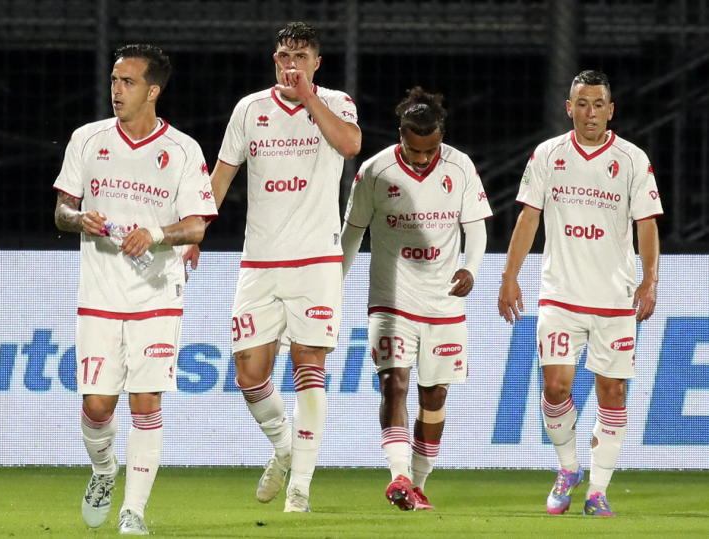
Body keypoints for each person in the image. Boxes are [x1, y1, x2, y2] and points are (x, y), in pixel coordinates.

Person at [53, 44, 217, 535]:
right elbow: (61, 212)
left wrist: (160, 234)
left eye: (127, 82)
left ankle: (134, 511)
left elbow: (197, 227)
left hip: (156, 294)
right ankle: (104, 471)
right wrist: (81, 218)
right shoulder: (87, 139)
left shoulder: (184, 150)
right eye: (113, 80)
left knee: (147, 401)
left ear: (153, 91)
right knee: (97, 406)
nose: (116, 90)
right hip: (99, 296)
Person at [208, 21, 361, 512]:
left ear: (317, 62)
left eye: (299, 56)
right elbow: (221, 176)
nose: (288, 65)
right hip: (260, 260)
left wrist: (309, 99)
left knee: (309, 367)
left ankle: (301, 487)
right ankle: (285, 448)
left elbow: (351, 145)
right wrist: (195, 233)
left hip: (316, 259)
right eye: (281, 56)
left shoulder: (335, 103)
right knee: (249, 372)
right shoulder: (250, 109)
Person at [498, 70, 662, 516]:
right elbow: (527, 219)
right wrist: (509, 275)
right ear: (569, 108)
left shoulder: (632, 159)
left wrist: (650, 279)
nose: (590, 113)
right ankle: (568, 468)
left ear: (611, 110)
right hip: (560, 294)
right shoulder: (548, 155)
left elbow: (646, 224)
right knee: (555, 386)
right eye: (582, 104)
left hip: (614, 299)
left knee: (613, 393)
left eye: (598, 104)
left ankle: (598, 491)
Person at [341, 87, 492, 511]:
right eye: (414, 149)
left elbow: (476, 227)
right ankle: (400, 476)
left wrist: (471, 268)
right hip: (392, 299)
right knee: (394, 385)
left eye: (430, 150)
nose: (423, 158)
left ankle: (419, 484)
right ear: (401, 135)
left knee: (435, 395)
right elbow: (352, 234)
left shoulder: (460, 166)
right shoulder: (374, 171)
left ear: (440, 136)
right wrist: (331, 286)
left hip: (444, 303)